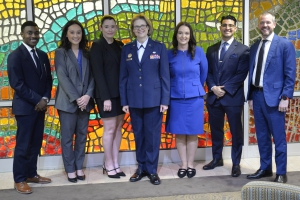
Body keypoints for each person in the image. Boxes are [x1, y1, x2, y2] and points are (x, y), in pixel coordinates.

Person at [119, 14, 170, 185]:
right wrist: (124, 101)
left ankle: (152, 170)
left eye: (143, 26)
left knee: (153, 136)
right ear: (133, 30)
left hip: (154, 100)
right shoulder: (127, 49)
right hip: (133, 100)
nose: (140, 29)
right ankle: (141, 168)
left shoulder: (159, 47)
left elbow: (165, 76)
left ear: (148, 28)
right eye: (136, 26)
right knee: (139, 135)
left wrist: (165, 100)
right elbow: (123, 77)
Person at [246, 12, 296, 183]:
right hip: (257, 97)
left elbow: (290, 74)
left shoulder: (284, 45)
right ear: (258, 26)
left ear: (274, 24)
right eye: (262, 23)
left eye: (268, 22)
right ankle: (265, 168)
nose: (264, 25)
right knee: (261, 136)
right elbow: (253, 73)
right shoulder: (254, 47)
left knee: (279, 137)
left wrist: (285, 97)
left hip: (276, 99)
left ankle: (281, 172)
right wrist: (251, 95)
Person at [7, 21, 53, 194]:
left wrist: (45, 98)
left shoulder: (42, 55)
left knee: (35, 144)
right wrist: (37, 100)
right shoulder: (15, 56)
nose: (33, 36)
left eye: (36, 33)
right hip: (26, 108)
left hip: (40, 107)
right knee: (23, 145)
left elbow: (48, 79)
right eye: (29, 33)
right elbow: (17, 84)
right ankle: (19, 179)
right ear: (22, 35)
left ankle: (31, 174)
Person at [203, 15, 249, 177]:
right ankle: (217, 158)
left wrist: (225, 89)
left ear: (235, 28)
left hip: (233, 98)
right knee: (216, 130)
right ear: (220, 27)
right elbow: (207, 72)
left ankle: (236, 163)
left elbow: (241, 74)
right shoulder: (211, 49)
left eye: (230, 25)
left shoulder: (243, 50)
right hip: (214, 98)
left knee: (236, 132)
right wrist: (214, 87)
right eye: (224, 25)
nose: (227, 28)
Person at [166, 22, 208, 178]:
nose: (183, 36)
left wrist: (194, 86)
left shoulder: (199, 52)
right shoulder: (169, 54)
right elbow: (166, 75)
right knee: (179, 133)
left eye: (186, 33)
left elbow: (203, 73)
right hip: (176, 97)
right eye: (180, 33)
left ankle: (190, 164)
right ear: (176, 35)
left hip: (194, 98)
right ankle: (183, 165)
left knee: (192, 132)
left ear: (190, 36)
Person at [54, 20, 94, 183]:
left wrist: (88, 95)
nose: (75, 35)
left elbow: (93, 76)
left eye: (78, 32)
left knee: (82, 136)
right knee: (68, 138)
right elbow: (62, 77)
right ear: (66, 34)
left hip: (85, 102)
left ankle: (79, 167)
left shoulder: (87, 53)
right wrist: (77, 98)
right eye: (72, 32)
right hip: (67, 102)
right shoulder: (60, 53)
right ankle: (70, 169)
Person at [90, 15, 125, 179]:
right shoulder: (97, 46)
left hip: (119, 94)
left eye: (112, 26)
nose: (110, 29)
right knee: (110, 129)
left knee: (118, 128)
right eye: (107, 26)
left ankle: (115, 162)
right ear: (101, 28)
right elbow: (98, 73)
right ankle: (108, 164)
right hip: (106, 96)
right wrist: (106, 98)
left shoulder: (119, 45)